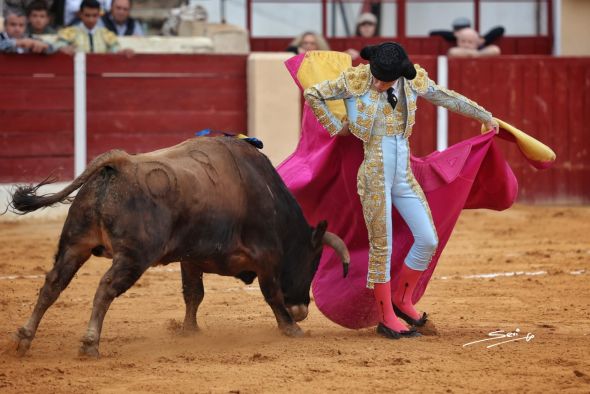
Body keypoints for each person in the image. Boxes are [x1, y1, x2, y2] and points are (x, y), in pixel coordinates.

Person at [303, 42, 499, 339]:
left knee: (427, 238)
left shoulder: (411, 80)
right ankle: (385, 317)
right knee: (383, 247)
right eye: (377, 76)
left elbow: (444, 96)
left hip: (402, 174)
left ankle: (402, 299)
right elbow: (313, 93)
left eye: (385, 79)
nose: (379, 83)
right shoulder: (356, 80)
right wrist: (335, 126)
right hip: (374, 176)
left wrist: (484, 115)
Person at [54, 0, 133, 54]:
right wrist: (62, 48)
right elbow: (57, 45)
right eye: (87, 15)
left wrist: (122, 52)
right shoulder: (70, 32)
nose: (91, 20)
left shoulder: (106, 34)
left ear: (99, 15)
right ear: (80, 14)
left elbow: (115, 49)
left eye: (94, 15)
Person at [430, 16, 505, 50]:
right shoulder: (454, 36)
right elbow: (432, 33)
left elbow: (500, 29)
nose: (466, 44)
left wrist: (484, 40)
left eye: (470, 42)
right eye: (463, 41)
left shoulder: (478, 38)